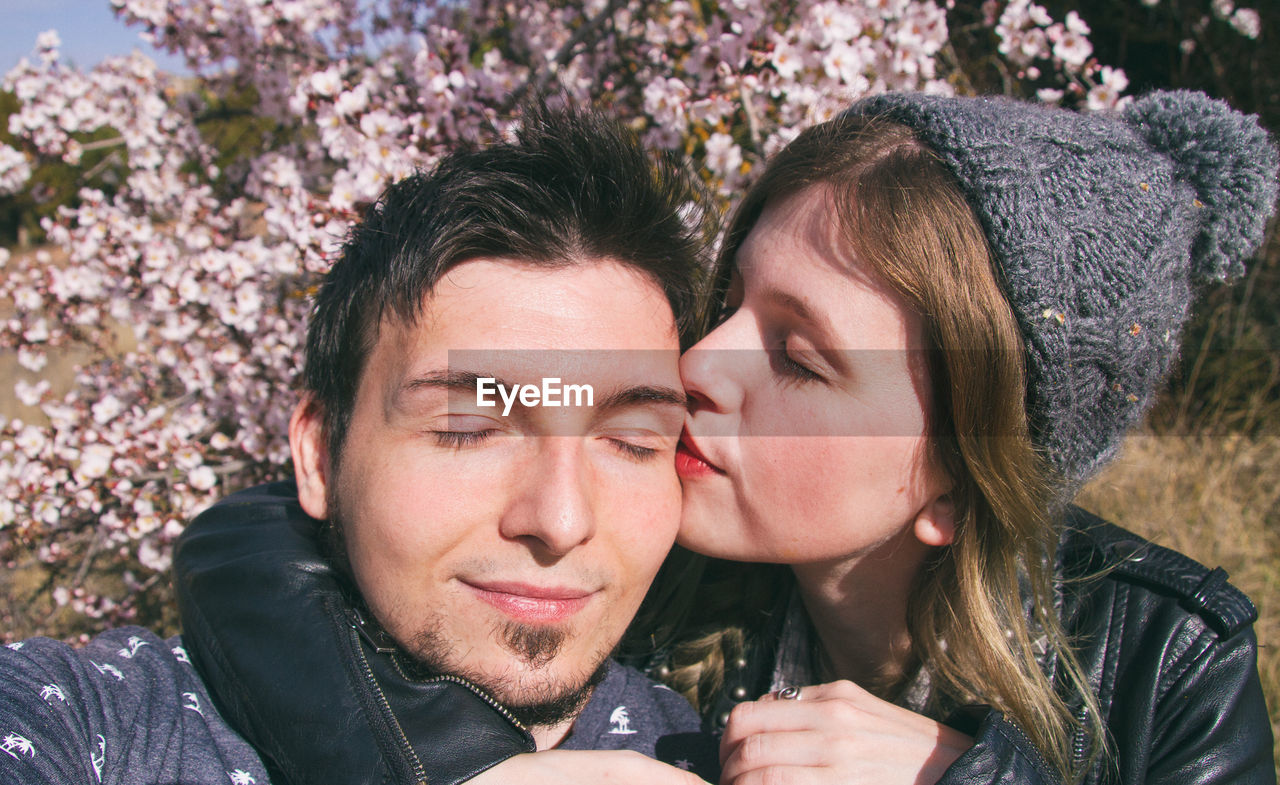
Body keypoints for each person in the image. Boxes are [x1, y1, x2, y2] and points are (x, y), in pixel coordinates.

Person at [170, 91, 1277, 785]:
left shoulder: (1160, 666)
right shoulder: (643, 549)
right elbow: (261, 545)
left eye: (798, 359)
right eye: (731, 299)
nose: (698, 367)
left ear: (954, 482)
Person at [0, 104, 720, 785]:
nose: (561, 518)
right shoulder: (90, 722)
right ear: (318, 454)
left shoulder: (715, 751)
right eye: (468, 429)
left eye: (630, 441)